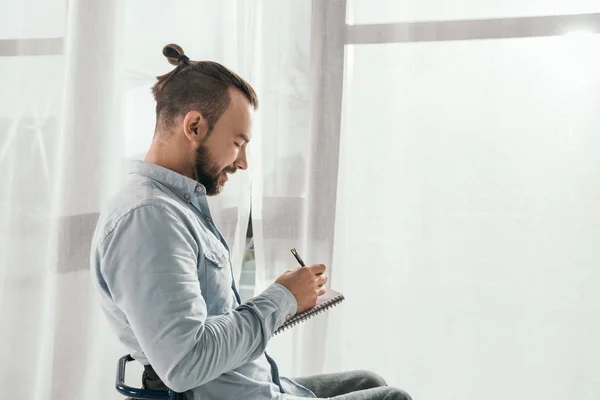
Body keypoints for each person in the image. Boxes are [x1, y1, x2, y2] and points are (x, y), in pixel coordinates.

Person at [90, 44, 411, 400]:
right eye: (238, 143)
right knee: (390, 398)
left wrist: (290, 299)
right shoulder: (148, 220)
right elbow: (184, 363)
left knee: (368, 381)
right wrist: (281, 298)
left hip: (248, 385)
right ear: (194, 126)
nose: (243, 162)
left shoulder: (177, 208)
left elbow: (204, 324)